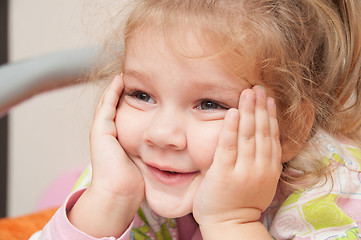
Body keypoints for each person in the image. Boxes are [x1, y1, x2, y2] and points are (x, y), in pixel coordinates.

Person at [30, 0, 361, 239]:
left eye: (208, 103)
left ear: (290, 130)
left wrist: (231, 222)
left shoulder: (335, 197)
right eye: (142, 95)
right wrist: (109, 201)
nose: (160, 135)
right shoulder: (121, 174)